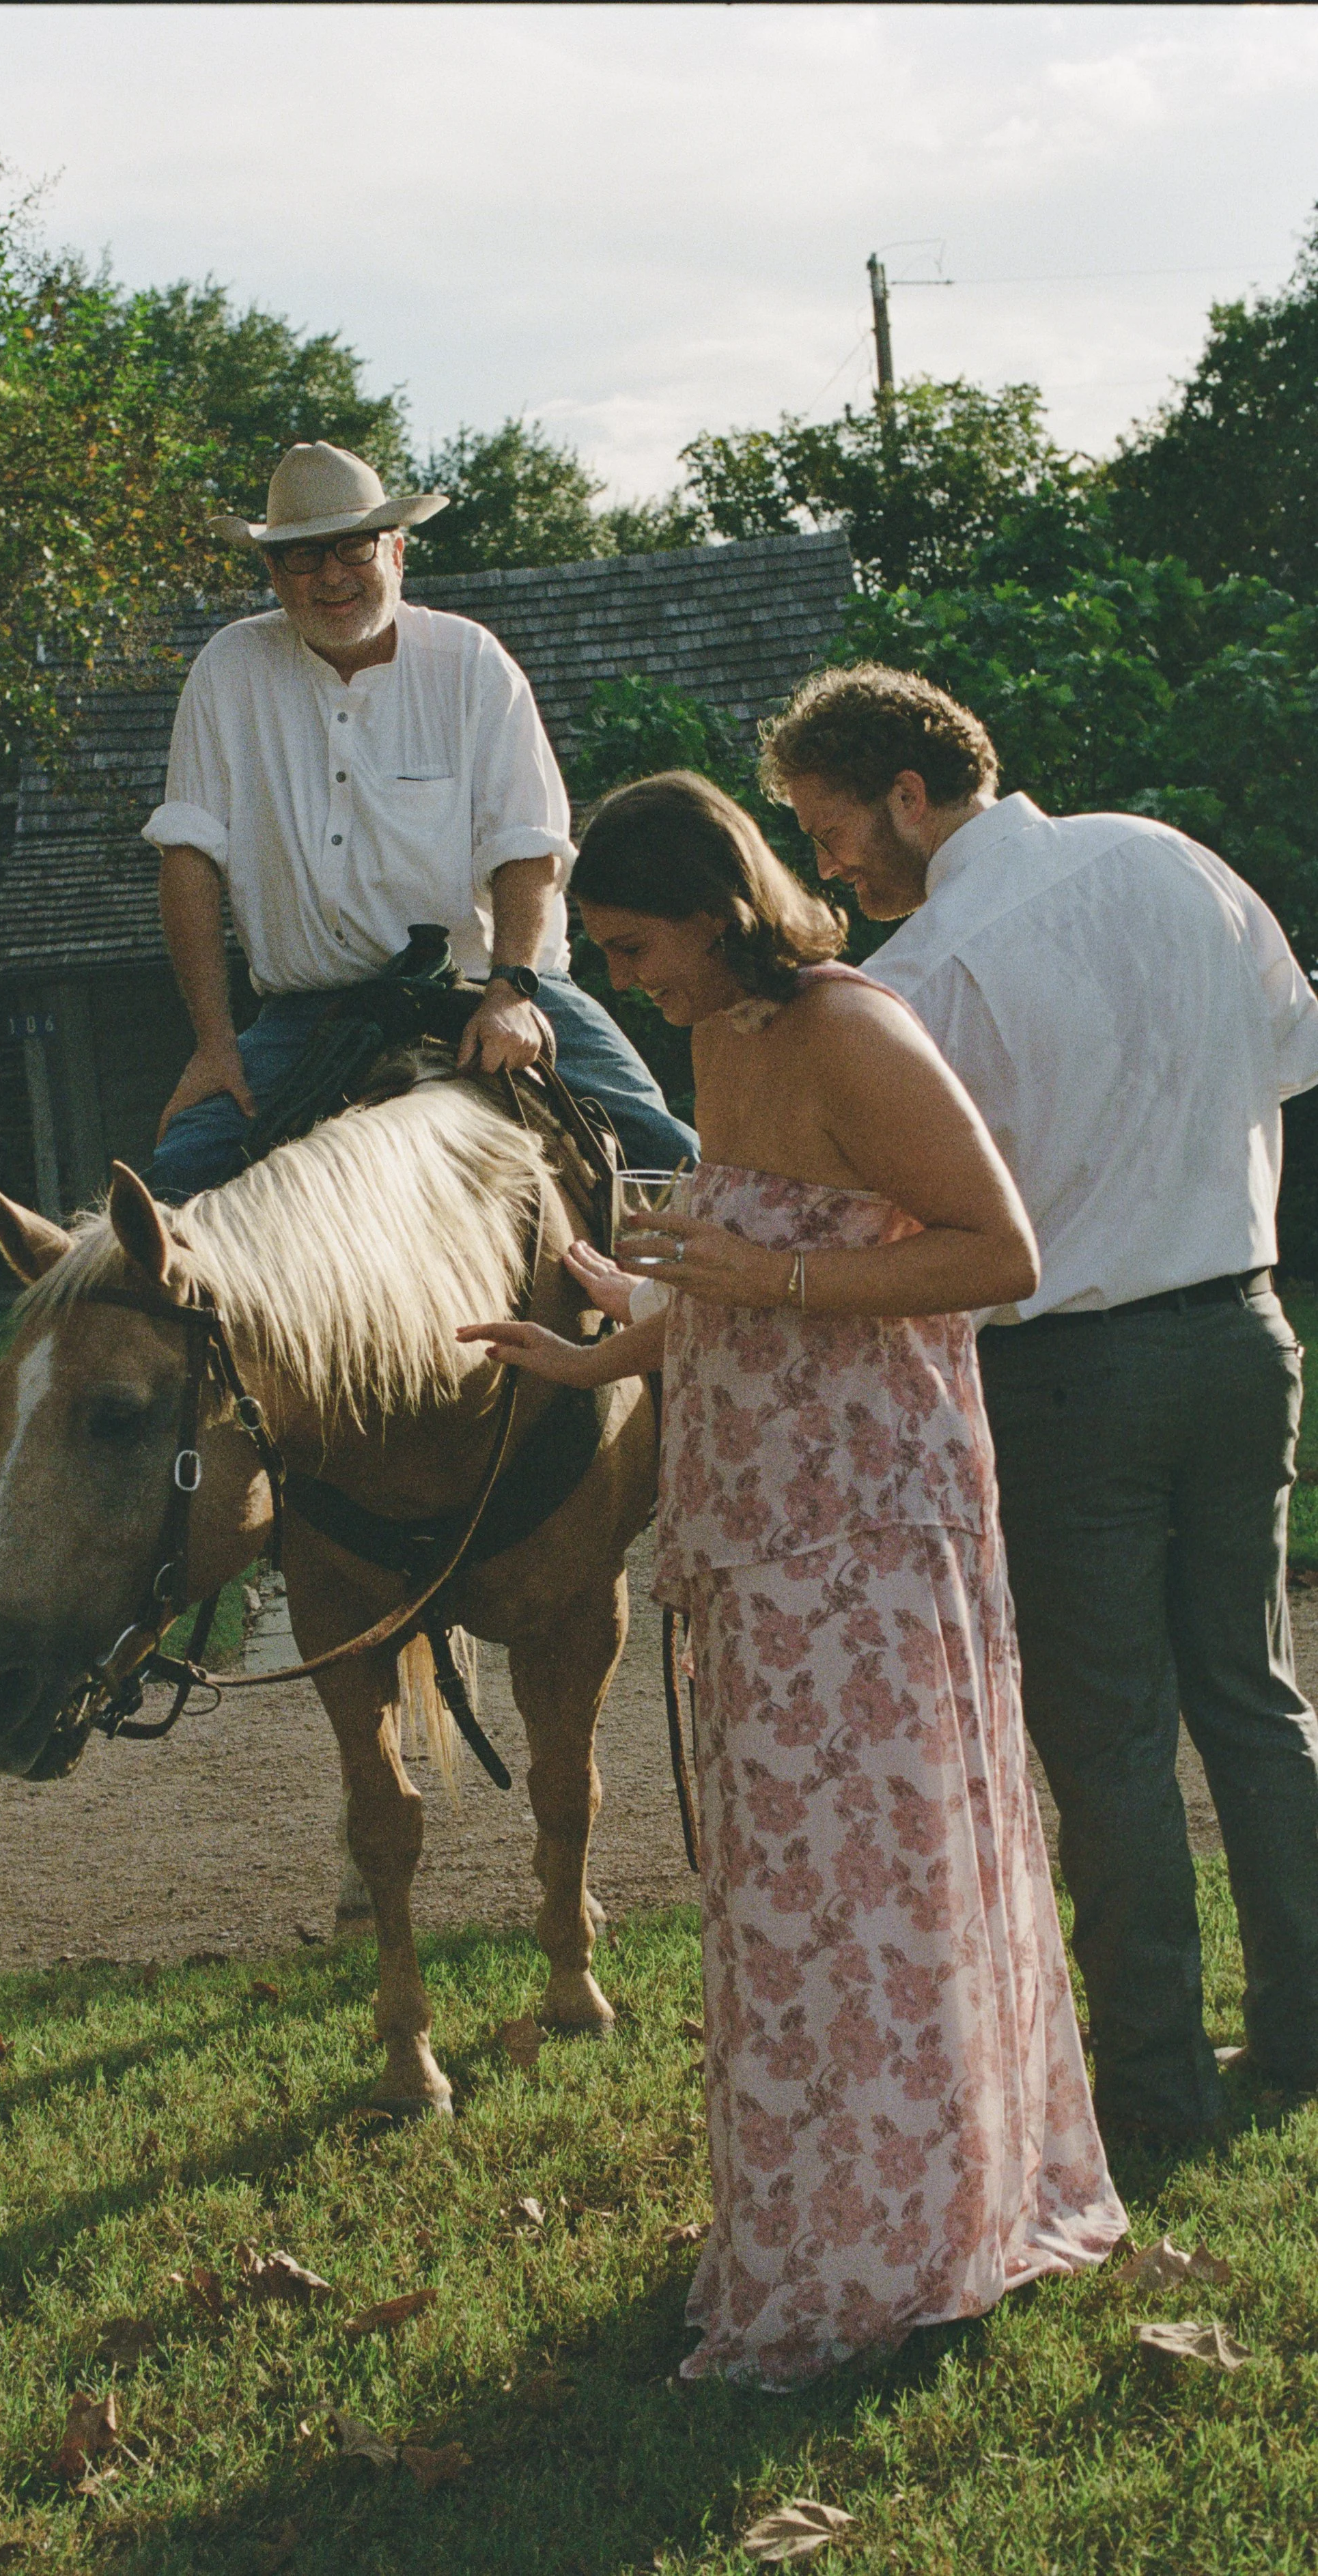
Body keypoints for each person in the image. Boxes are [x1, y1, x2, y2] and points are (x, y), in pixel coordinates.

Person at [460, 770, 1125, 2390]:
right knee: (785, 1903)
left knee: (877, 1891)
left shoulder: (849, 1026)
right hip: (757, 1540)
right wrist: (599, 1341)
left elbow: (999, 1251)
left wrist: (781, 1274)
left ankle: (921, 2233)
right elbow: (722, 1287)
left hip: (874, 1536)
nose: (627, 980)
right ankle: (823, 2223)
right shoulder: (720, 1038)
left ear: (712, 907)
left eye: (634, 946)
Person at [758, 662, 1318, 2142]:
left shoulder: (923, 976)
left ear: (907, 788)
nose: (827, 863)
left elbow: (892, 1212)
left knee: (1112, 1741)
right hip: (1244, 1329)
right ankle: (1304, 2034)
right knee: (1256, 1702)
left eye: (829, 825)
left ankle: (1155, 2090)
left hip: (1071, 1373)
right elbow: (1286, 1057)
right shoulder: (1171, 857)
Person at [141, 440, 696, 1196]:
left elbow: (526, 847)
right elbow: (188, 859)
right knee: (180, 1182)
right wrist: (212, 1042)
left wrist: (512, 992)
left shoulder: (471, 662)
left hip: (479, 983)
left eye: (353, 547)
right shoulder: (228, 670)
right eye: (303, 556)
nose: (331, 575)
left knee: (666, 1157)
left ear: (396, 550)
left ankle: (721, 1299)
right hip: (311, 1009)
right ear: (272, 572)